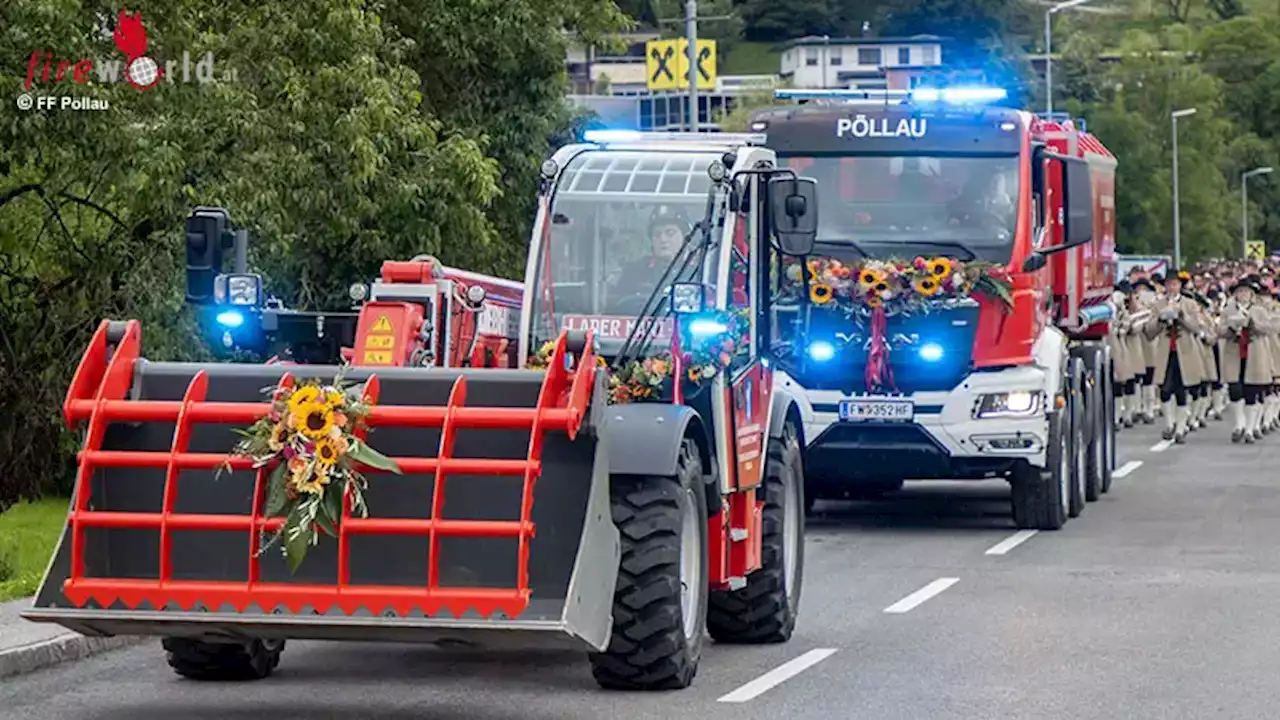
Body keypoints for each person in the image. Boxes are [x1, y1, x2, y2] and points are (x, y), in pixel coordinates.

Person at [1143, 269, 1204, 443]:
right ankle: (1169, 424)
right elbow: (1149, 331)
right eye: (1169, 284)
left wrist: (1182, 316)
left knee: (1182, 390)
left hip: (1185, 351)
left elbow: (1197, 328)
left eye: (1175, 284)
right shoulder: (1157, 305)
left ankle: (1180, 428)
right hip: (1165, 351)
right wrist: (1161, 319)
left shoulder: (1190, 304)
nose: (1172, 287)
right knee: (1164, 389)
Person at [1219, 277, 1272, 443]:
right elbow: (1220, 330)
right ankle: (1239, 424)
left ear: (1251, 294)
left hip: (1254, 353)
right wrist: (1230, 328)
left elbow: (1268, 328)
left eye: (1246, 292)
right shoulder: (1228, 310)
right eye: (1240, 292)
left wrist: (1252, 324)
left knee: (1252, 391)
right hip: (1235, 352)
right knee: (1235, 389)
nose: (1243, 295)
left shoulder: (1259, 310)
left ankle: (1250, 428)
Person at [607, 205, 692, 306]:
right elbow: (615, 308)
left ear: (686, 237)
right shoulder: (634, 271)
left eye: (670, 233)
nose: (663, 239)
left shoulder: (700, 270)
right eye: (657, 234)